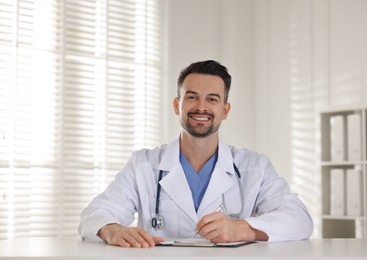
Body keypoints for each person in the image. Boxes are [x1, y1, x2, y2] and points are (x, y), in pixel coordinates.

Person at [78, 60, 313, 248]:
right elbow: (96, 213)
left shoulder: (255, 167)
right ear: (177, 106)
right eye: (191, 97)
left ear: (225, 110)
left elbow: (299, 219)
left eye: (212, 99)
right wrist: (113, 229)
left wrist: (241, 228)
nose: (201, 107)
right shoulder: (144, 165)